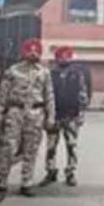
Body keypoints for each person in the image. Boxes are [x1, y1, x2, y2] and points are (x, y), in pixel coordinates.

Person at [0, 38, 55, 203]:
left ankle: (26, 183)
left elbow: (49, 95)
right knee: (8, 148)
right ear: (23, 52)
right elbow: (3, 93)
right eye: (29, 50)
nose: (33, 53)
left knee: (31, 149)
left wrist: (51, 116)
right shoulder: (12, 71)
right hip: (16, 111)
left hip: (36, 112)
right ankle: (2, 184)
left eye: (36, 50)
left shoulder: (44, 72)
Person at [40, 46, 88, 187]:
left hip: (71, 116)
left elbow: (83, 94)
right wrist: (45, 115)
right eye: (61, 56)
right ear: (57, 58)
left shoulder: (77, 74)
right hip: (54, 115)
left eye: (67, 56)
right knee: (51, 146)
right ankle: (51, 171)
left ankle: (70, 173)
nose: (65, 58)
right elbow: (44, 95)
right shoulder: (50, 74)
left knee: (72, 146)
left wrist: (81, 114)